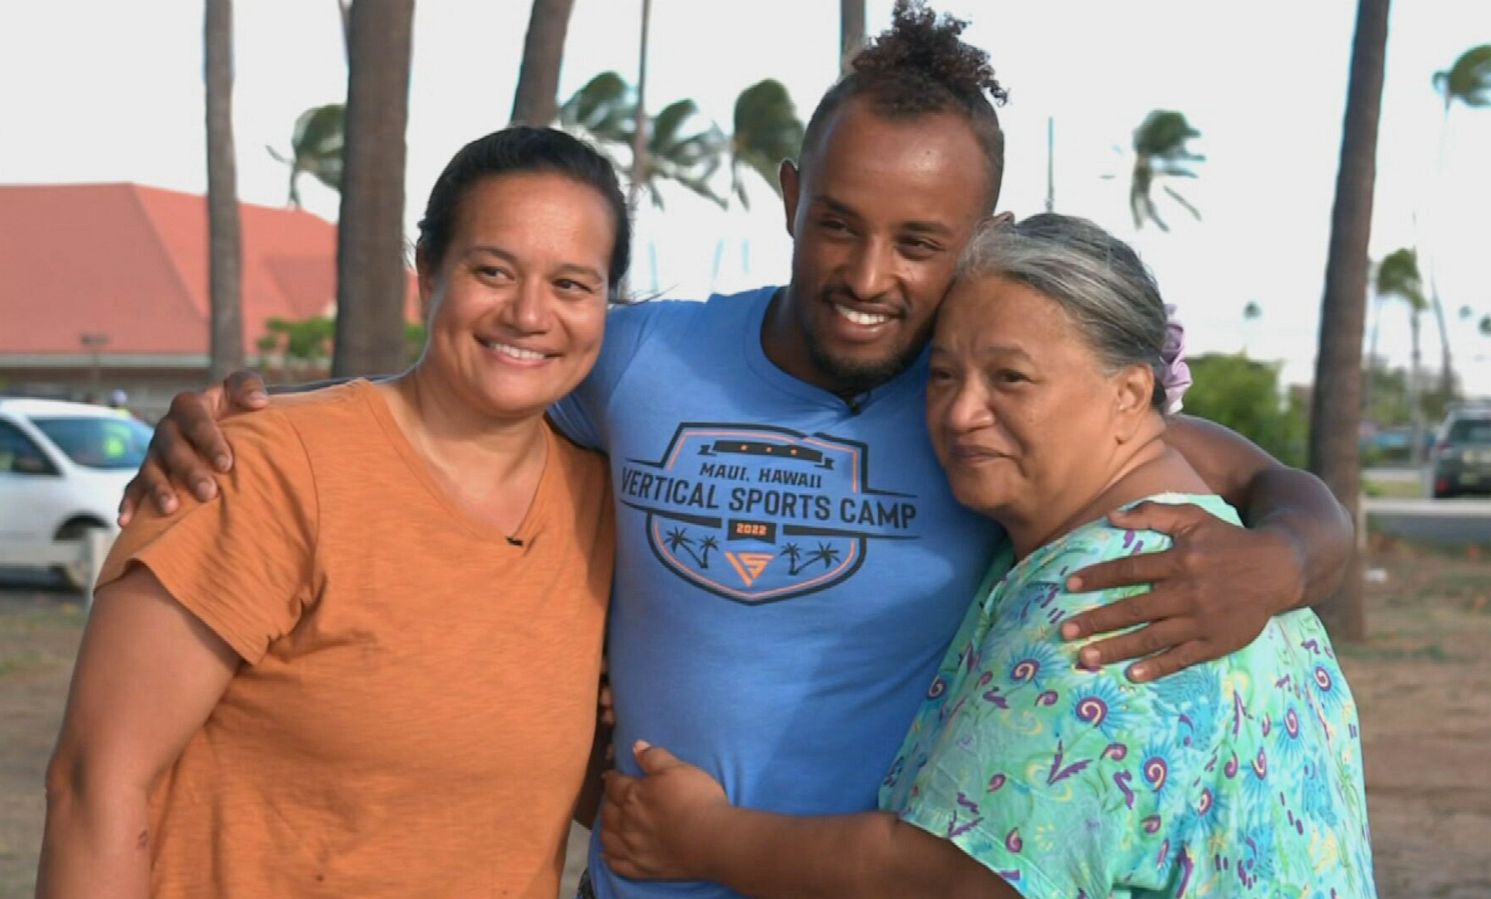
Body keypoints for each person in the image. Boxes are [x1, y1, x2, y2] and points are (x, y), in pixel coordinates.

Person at [122, 6, 1355, 898]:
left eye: (921, 242)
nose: (869, 277)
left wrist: (1289, 558)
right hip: (637, 881)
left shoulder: (983, 412)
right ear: (785, 195)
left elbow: (1245, 474)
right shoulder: (638, 356)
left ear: (978, 239)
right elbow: (463, 381)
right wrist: (251, 427)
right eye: (837, 224)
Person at [596, 214, 1376, 899]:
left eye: (1011, 378)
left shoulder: (1116, 597)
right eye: (942, 375)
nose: (962, 412)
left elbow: (951, 878)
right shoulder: (1216, 546)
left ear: (1131, 395)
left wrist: (704, 838)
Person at [38, 126, 623, 898]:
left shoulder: (608, 510)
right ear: (427, 274)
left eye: (571, 285)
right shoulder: (266, 470)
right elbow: (94, 785)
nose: (528, 313)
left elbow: (581, 788)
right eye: (492, 270)